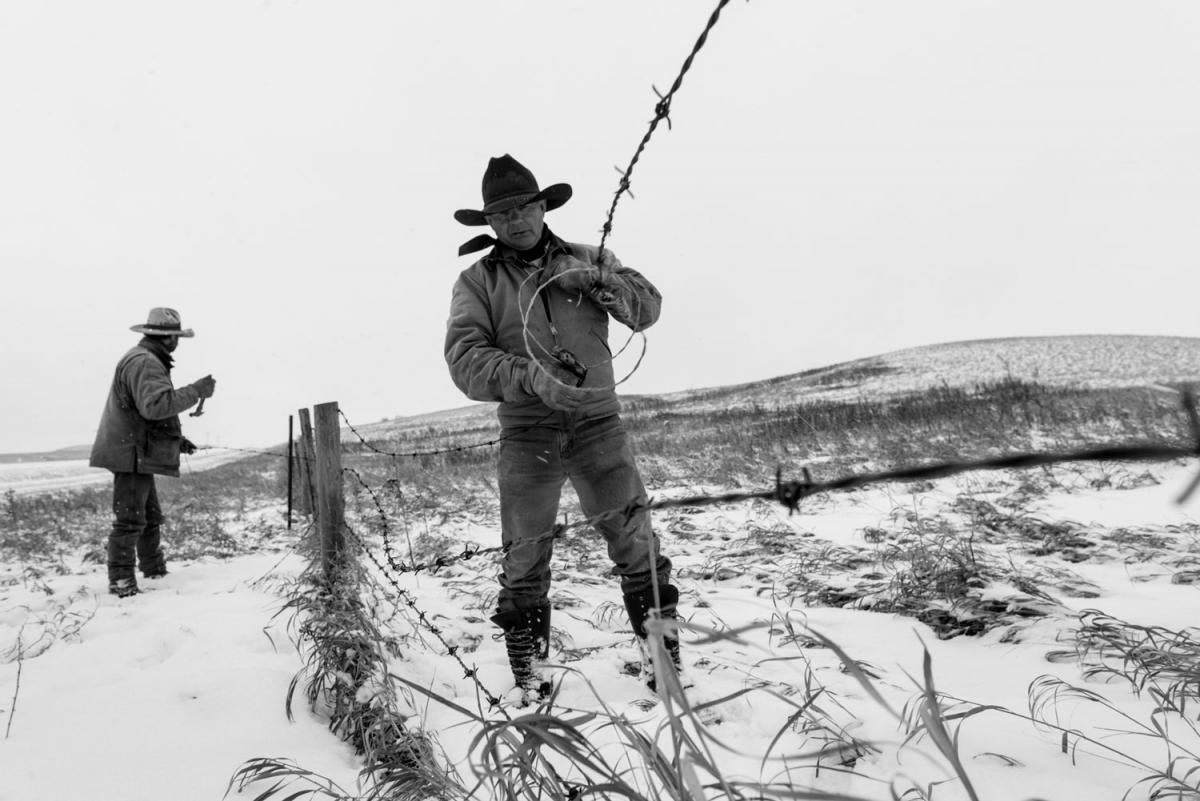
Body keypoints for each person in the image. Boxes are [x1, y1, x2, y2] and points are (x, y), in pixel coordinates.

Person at [445, 154, 681, 699]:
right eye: (502, 214)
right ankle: (530, 681)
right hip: (529, 433)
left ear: (542, 206)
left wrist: (612, 289)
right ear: (489, 222)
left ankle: (664, 668)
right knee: (524, 557)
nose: (516, 220)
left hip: (599, 425)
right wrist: (530, 378)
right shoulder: (476, 282)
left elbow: (647, 310)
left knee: (636, 544)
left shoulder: (589, 257)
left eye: (525, 207)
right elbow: (464, 361)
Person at [89, 308, 216, 598]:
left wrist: (176, 438)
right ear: (167, 337)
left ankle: (154, 572)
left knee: (149, 515)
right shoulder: (146, 362)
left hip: (135, 449)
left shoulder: (144, 358)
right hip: (131, 453)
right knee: (130, 520)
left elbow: (144, 410)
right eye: (177, 336)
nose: (179, 342)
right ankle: (122, 583)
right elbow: (155, 406)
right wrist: (196, 390)